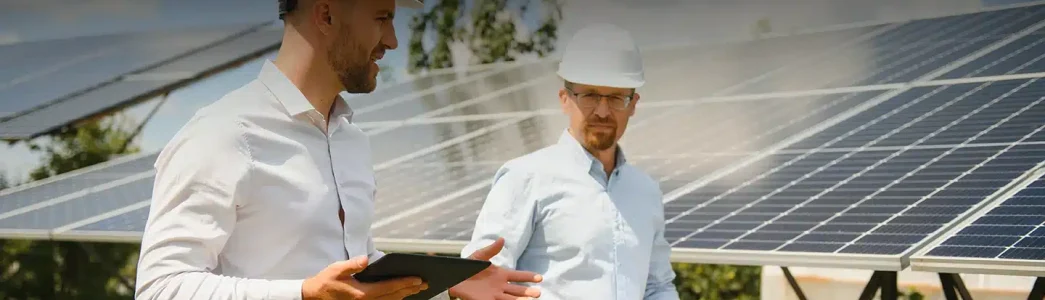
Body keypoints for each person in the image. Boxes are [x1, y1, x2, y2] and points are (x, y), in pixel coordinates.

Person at [134, 0, 543, 299]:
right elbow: (159, 288)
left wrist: (444, 284)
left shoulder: (351, 139)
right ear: (326, 14)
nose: (393, 41)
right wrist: (302, 294)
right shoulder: (222, 134)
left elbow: (352, 272)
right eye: (383, 18)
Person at [460, 23, 680, 300]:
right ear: (565, 99)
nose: (602, 111)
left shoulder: (646, 191)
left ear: (633, 103)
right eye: (589, 95)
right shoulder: (525, 178)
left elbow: (657, 287)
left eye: (615, 98)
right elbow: (483, 281)